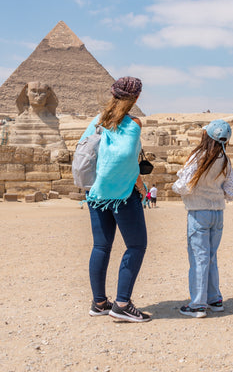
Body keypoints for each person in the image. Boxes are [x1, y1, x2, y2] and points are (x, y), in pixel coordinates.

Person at [81, 76, 151, 323]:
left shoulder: (96, 121)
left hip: (96, 193)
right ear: (137, 98)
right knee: (137, 245)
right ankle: (122, 304)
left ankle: (99, 303)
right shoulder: (133, 123)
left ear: (112, 93)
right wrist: (140, 185)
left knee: (101, 246)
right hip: (122, 195)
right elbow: (127, 161)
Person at [172, 120, 233, 318]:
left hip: (199, 213)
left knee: (198, 257)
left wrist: (175, 188)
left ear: (207, 136)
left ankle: (197, 305)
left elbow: (184, 185)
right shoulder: (224, 159)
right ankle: (215, 299)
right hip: (217, 214)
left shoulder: (198, 156)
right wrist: (217, 192)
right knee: (210, 256)